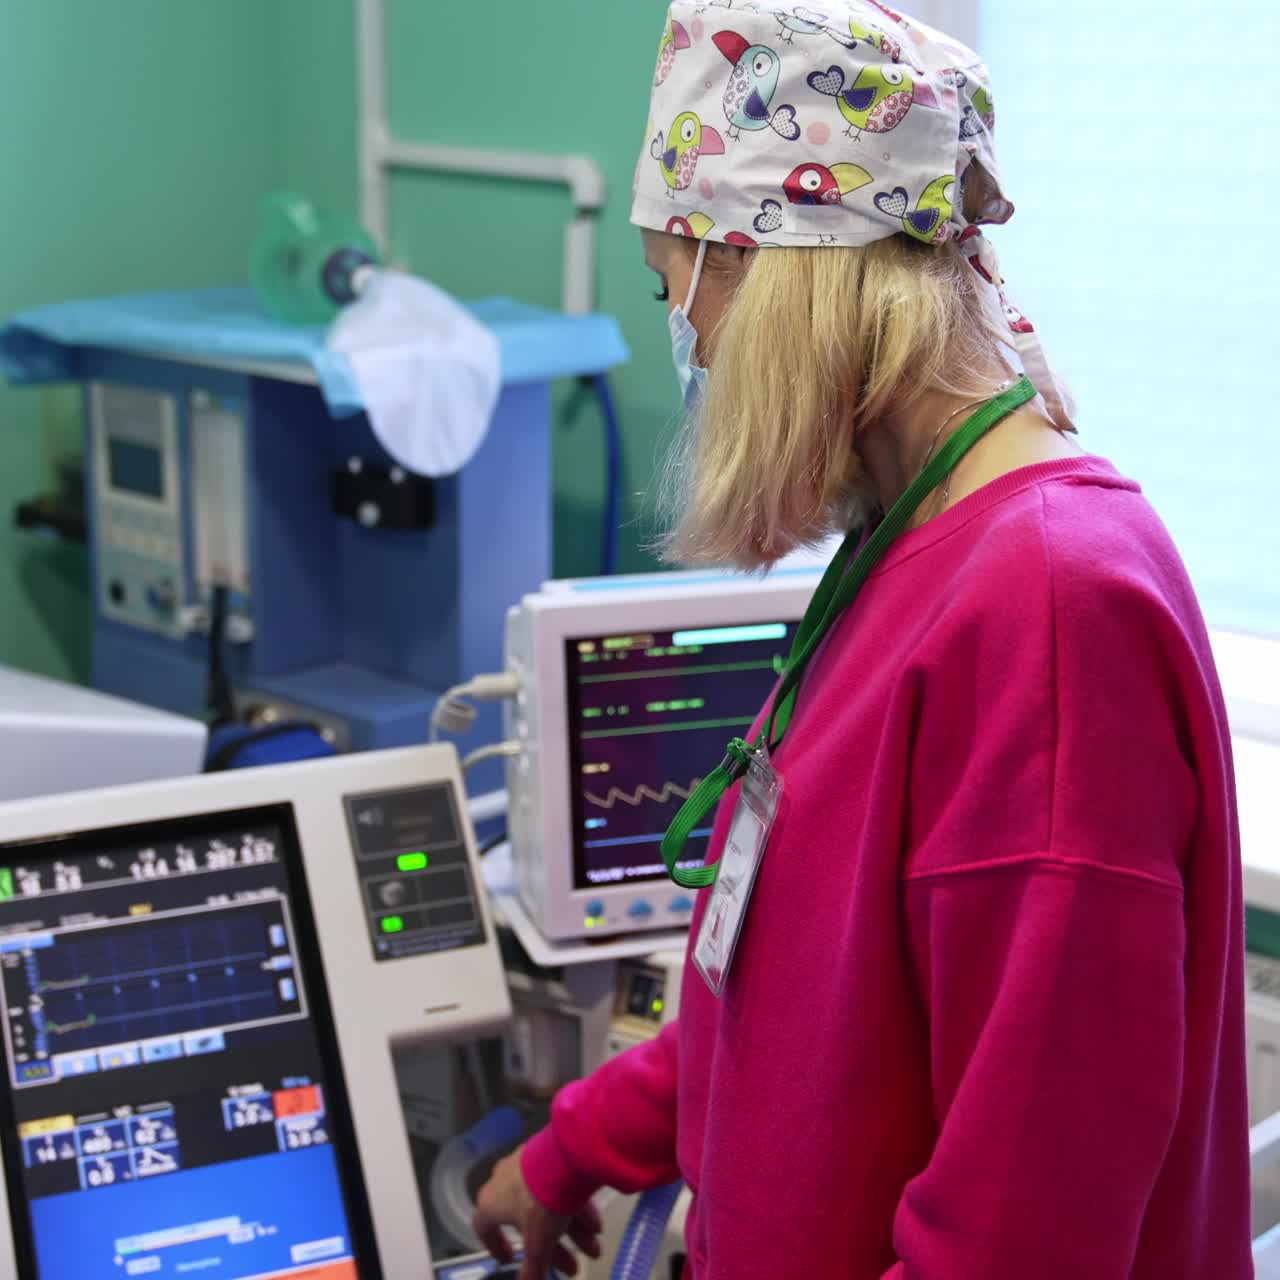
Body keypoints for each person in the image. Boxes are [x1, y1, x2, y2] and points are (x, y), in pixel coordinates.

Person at [474, 3, 1253, 1276]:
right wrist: (569, 1149)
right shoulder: (908, 554)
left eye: (679, 295)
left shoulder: (1050, 610)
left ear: (771, 271)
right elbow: (776, 1002)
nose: (695, 349)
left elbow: (1021, 1236)